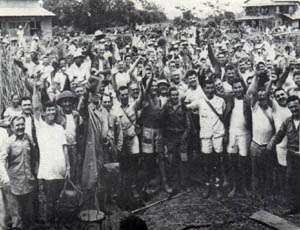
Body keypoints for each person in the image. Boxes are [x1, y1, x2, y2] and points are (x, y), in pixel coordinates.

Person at [32, 81, 70, 227]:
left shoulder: (60, 128)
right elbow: (35, 106)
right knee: (49, 199)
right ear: (44, 112)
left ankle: (57, 222)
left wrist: (68, 167)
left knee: (59, 198)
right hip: (48, 171)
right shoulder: (40, 126)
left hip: (60, 169)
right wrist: (36, 88)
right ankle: (50, 224)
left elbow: (65, 148)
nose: (51, 113)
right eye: (48, 111)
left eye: (53, 111)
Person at [186, 79, 226, 198]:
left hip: (218, 135)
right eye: (207, 88)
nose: (210, 90)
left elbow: (224, 115)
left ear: (214, 88)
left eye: (211, 87)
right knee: (207, 162)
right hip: (205, 136)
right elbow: (186, 107)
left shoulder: (221, 101)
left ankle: (218, 186)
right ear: (204, 89)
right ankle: (208, 185)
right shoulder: (200, 102)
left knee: (218, 161)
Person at [1, 116, 37, 230]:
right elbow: (1, 161)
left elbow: (35, 155)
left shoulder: (28, 138)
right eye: (17, 125)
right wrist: (5, 178)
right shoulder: (8, 142)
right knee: (17, 218)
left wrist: (34, 171)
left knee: (29, 215)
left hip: (28, 182)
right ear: (12, 127)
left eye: (22, 124)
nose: (20, 127)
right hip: (14, 184)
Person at [267, 96, 300, 215]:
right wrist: (271, 143)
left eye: (296, 106)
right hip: (292, 156)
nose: (294, 109)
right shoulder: (287, 121)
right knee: (292, 180)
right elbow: (279, 134)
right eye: (291, 107)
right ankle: (296, 206)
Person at [161, 87, 190, 192]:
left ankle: (184, 184)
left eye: (176, 94)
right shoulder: (166, 108)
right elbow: (163, 124)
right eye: (172, 95)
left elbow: (188, 125)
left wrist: (184, 137)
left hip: (182, 137)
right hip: (170, 138)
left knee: (183, 160)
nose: (174, 97)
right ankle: (174, 184)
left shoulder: (183, 107)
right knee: (172, 161)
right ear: (169, 96)